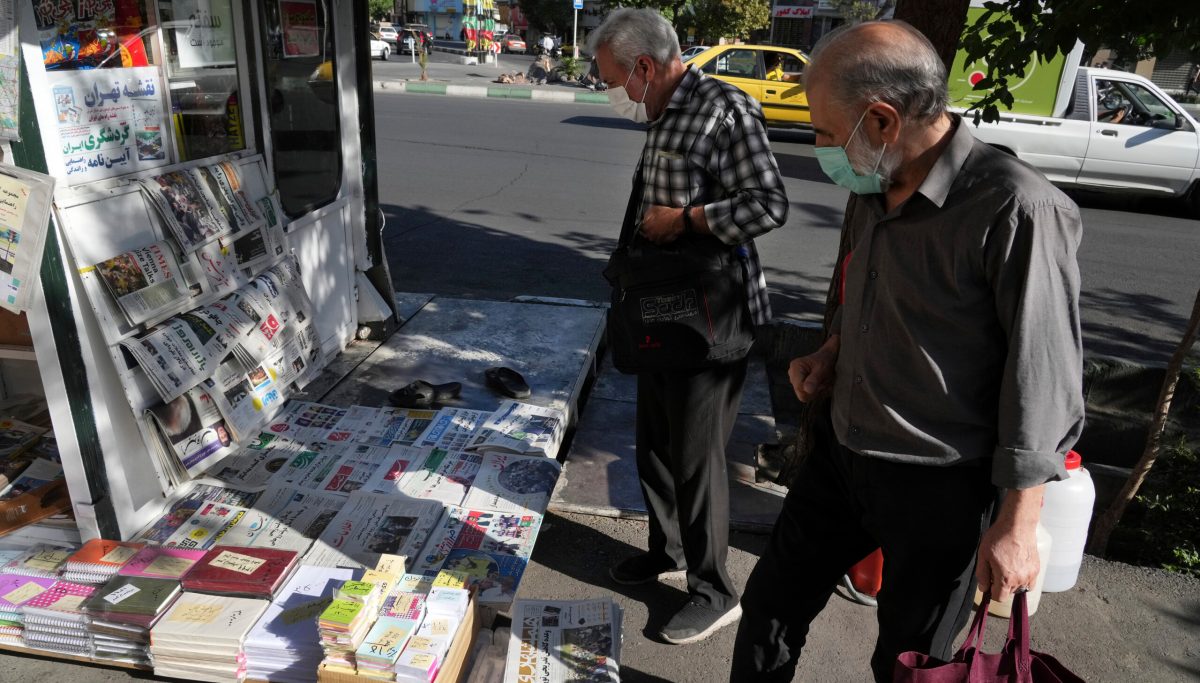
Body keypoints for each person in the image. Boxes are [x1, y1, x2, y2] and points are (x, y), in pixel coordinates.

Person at [729, 20, 1084, 682]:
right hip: (841, 450)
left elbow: (1043, 379)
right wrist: (832, 351)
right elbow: (877, 298)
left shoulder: (1017, 210)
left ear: (884, 119)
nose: (822, 147)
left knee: (908, 658)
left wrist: (1015, 524)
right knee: (771, 605)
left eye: (828, 132)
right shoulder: (873, 180)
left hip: (939, 481)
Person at [587, 8, 788, 646]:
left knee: (698, 459)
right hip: (661, 314)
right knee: (654, 442)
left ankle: (714, 589)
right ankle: (666, 551)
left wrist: (688, 221)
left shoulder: (723, 110)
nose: (612, 92)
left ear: (645, 67)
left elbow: (768, 205)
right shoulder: (661, 110)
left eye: (613, 79)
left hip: (712, 321)